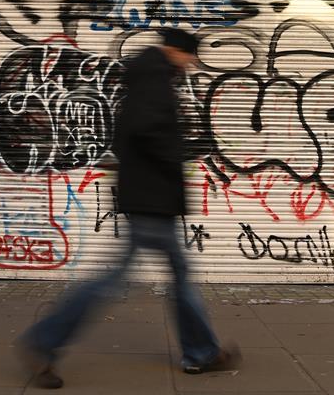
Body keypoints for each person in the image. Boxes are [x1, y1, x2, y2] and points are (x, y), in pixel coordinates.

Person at [16, 28, 240, 389]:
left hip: (148, 193)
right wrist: (172, 164)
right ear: (175, 51)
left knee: (171, 274)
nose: (191, 63)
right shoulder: (154, 78)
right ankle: (43, 343)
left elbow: (125, 134)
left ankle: (201, 352)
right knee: (118, 279)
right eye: (190, 56)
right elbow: (146, 131)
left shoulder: (144, 76)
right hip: (153, 195)